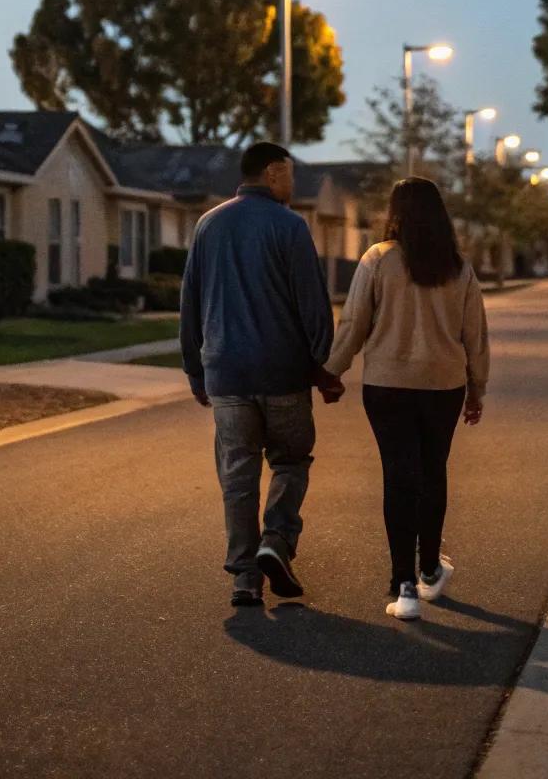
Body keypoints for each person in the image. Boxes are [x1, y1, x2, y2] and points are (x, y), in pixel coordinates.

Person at [180, 141, 344, 608]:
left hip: (227, 374)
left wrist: (196, 368)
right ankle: (276, 538)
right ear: (273, 173)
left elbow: (190, 303)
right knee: (291, 461)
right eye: (289, 174)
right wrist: (324, 368)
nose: (293, 183)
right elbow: (313, 306)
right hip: (283, 374)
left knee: (238, 476)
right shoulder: (290, 227)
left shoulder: (208, 224)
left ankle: (245, 578)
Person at [324, 176, 489, 620]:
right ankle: (431, 568)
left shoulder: (378, 260)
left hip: (388, 385)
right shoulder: (458, 267)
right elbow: (475, 337)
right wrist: (477, 388)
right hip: (444, 386)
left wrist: (330, 373)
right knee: (433, 472)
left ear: (395, 213)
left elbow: (354, 322)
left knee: (399, 477)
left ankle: (405, 587)